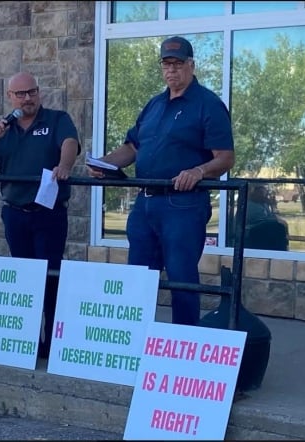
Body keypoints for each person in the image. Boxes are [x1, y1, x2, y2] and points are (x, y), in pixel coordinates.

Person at [87, 36, 235, 326]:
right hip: (144, 202)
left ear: (191, 66)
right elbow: (132, 147)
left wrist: (199, 171)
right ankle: (133, 341)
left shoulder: (208, 105)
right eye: (166, 64)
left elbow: (226, 158)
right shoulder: (154, 105)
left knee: (181, 279)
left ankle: (184, 346)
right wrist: (104, 163)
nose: (171, 71)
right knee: (138, 278)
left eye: (178, 64)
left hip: (182, 204)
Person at [0, 72, 80, 358]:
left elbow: (69, 144)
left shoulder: (56, 119)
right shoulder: (4, 130)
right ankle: (26, 338)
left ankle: (51, 342)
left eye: (31, 92)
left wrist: (64, 165)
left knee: (50, 276)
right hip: (15, 214)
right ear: (10, 97)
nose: (27, 98)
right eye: (20, 94)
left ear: (39, 93)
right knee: (24, 278)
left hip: (48, 214)